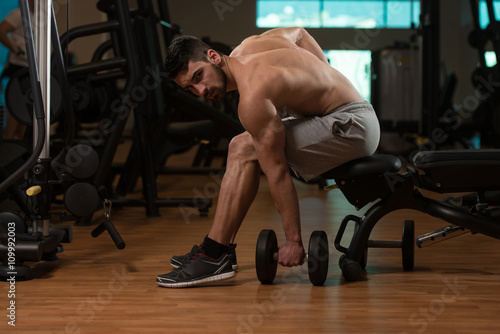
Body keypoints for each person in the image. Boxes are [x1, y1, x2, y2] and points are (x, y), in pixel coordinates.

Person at [156, 27, 380, 288]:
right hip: (349, 116)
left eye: (199, 75)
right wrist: (323, 74)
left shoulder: (252, 97)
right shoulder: (248, 46)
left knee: (243, 149)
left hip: (352, 127)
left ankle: (214, 253)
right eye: (190, 87)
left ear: (213, 57)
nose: (201, 89)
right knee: (240, 144)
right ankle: (216, 248)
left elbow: (277, 173)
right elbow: (299, 34)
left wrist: (293, 242)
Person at [0, 0, 34, 139]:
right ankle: (9, 144)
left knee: (27, 107)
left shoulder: (39, 17)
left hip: (32, 68)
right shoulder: (19, 14)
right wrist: (15, 48)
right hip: (19, 67)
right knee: (18, 107)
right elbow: (1, 30)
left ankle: (22, 145)